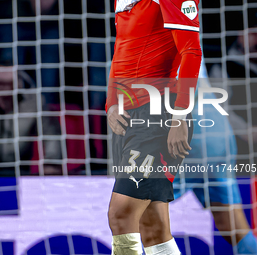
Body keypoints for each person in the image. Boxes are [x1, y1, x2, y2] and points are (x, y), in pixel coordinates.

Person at [106, 0, 202, 254]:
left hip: (158, 114)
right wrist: (111, 103)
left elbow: (191, 52)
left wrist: (179, 116)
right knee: (153, 228)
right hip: (128, 118)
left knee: (121, 214)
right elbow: (122, 50)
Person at [174, 62, 257, 254]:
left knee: (132, 214)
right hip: (218, 132)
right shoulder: (191, 33)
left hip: (186, 133)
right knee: (234, 227)